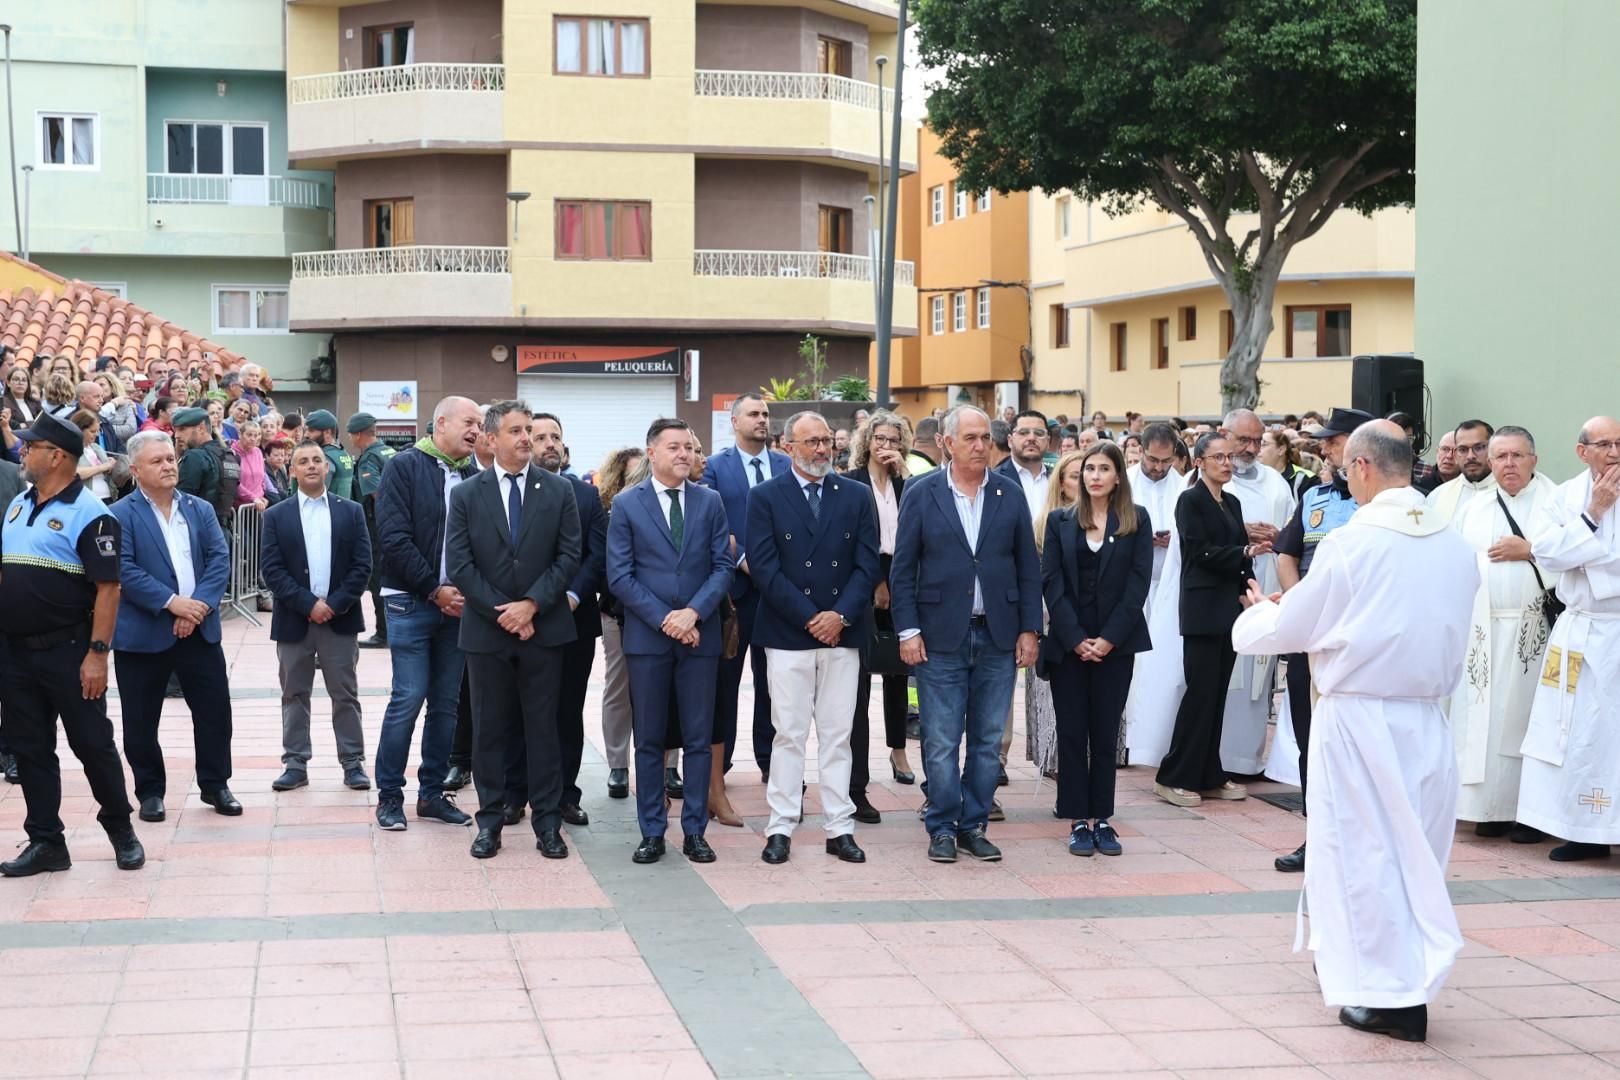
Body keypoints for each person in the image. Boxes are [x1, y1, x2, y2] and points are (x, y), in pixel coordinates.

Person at [1232, 420, 1479, 1044]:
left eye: (1346, 469)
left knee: (1362, 852)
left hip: (1363, 716)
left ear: (1363, 466)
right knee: (1414, 853)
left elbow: (1297, 626)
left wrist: (1258, 615)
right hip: (1426, 719)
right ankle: (1407, 980)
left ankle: (1388, 996)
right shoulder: (1452, 539)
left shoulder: (1354, 543)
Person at [892, 405, 1041, 864]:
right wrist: (908, 630)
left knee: (987, 738)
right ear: (946, 443)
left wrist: (1030, 628)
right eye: (971, 438)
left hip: (997, 635)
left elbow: (1027, 566)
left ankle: (974, 825)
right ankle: (941, 825)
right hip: (939, 636)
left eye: (985, 438)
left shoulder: (1008, 493)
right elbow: (903, 569)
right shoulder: (921, 492)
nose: (981, 446)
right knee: (940, 739)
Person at [0, 411, 145, 876]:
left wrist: (97, 656)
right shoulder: (19, 503)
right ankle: (46, 842)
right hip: (16, 652)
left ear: (56, 455)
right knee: (30, 748)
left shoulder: (92, 515)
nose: (22, 451)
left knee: (92, 745)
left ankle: (121, 831)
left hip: (70, 652)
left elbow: (109, 589)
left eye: (30, 446)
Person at [444, 402, 581, 861]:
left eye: (529, 430)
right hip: (487, 632)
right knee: (489, 731)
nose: (526, 438)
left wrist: (531, 606)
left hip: (544, 629)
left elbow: (568, 557)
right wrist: (503, 611)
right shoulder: (466, 495)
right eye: (516, 431)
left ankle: (547, 824)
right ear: (490, 438)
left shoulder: (559, 490)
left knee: (543, 729)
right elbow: (460, 563)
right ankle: (489, 822)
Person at [748, 411, 880, 864]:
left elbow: (868, 565)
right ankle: (780, 826)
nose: (822, 450)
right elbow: (763, 567)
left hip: (843, 634)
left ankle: (839, 826)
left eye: (827, 441)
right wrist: (811, 617)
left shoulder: (857, 496)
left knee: (838, 733)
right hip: (788, 633)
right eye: (811, 442)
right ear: (788, 446)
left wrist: (840, 615)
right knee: (787, 733)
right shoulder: (764, 496)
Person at [607, 418, 733, 866]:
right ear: (652, 454)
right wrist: (667, 620)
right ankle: (652, 832)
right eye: (675, 447)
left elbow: (723, 566)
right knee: (650, 738)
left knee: (699, 737)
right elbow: (620, 575)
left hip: (701, 635)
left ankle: (695, 830)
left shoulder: (710, 501)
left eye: (690, 447)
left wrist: (693, 613)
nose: (685, 454)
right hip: (648, 638)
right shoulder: (626, 504)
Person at [109, 430, 239, 821]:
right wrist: (172, 604)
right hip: (143, 634)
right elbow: (124, 569)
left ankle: (215, 784)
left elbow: (219, 558)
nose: (168, 466)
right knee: (140, 718)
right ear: (135, 470)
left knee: (215, 711)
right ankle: (150, 791)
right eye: (157, 461)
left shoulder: (198, 508)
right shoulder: (119, 515)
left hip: (199, 629)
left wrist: (195, 608)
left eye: (170, 458)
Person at [1264, 407, 1372, 871]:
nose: (1325, 449)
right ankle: (1318, 836)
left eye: (1333, 441)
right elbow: (1286, 553)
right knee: (1314, 740)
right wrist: (1301, 605)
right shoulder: (1314, 496)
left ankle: (1363, 840)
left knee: (1362, 745)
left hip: (1362, 645)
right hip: (1313, 643)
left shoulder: (1386, 505)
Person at [372, 396, 481, 832]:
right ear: (441, 422)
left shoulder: (473, 476)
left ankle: (432, 794)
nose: (476, 429)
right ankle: (389, 796)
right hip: (410, 601)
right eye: (469, 421)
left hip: (458, 608)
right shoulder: (404, 466)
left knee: (447, 705)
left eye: (479, 423)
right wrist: (435, 590)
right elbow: (393, 538)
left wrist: (467, 593)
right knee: (408, 698)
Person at [1515, 416, 1620, 862]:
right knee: (1573, 730)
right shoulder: (1565, 497)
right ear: (1582, 451)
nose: (1615, 453)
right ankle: (1581, 830)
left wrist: (1587, 556)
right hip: (1578, 629)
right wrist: (1593, 513)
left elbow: (1584, 557)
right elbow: (1549, 552)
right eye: (1605, 444)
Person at [1041, 441, 1152, 857]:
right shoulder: (1059, 521)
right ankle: (1075, 819)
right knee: (1072, 733)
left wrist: (1108, 639)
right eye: (1089, 469)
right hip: (1069, 646)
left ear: (1118, 476)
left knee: (1105, 734)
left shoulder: (1135, 520)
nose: (1095, 476)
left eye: (1104, 468)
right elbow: (1051, 581)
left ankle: (1102, 818)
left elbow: (1137, 584)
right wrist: (1074, 638)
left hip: (1115, 645)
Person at [1448, 425, 1557, 842]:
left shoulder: (1555, 502)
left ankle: (1531, 814)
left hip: (1537, 631)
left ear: (1534, 459)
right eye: (1501, 457)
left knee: (1531, 720)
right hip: (1483, 632)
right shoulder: (1472, 508)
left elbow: (1575, 555)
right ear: (1490, 464)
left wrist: (1529, 550)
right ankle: (1489, 809)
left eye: (1517, 455)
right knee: (1485, 722)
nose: (1509, 464)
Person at [1154, 433, 1262, 807]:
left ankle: (1209, 773)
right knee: (1200, 693)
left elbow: (1238, 555)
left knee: (1217, 695)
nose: (1227, 463)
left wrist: (1251, 589)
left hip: (1228, 608)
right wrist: (1244, 550)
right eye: (1218, 457)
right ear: (1199, 462)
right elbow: (1200, 551)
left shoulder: (1231, 502)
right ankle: (1174, 775)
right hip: (1201, 609)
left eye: (1230, 457)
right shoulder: (1191, 500)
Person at [259, 440, 372, 793]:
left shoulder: (350, 511)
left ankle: (352, 763)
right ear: (291, 471)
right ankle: (295, 763)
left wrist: (333, 604)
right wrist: (308, 604)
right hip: (295, 621)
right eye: (303, 461)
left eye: (317, 460)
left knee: (345, 693)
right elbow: (272, 570)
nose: (311, 466)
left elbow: (363, 565)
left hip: (339, 619)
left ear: (328, 468)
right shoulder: (276, 515)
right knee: (294, 692)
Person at [702, 393, 790, 818]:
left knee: (775, 682)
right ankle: (723, 763)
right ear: (734, 421)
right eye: (754, 414)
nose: (762, 420)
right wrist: (743, 561)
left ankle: (771, 760)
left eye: (766, 414)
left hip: (779, 596)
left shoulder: (786, 466)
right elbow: (715, 526)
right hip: (734, 594)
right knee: (727, 681)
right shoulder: (715, 468)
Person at [529, 411, 606, 830]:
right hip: (524, 620)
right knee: (520, 710)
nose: (549, 444)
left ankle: (565, 795)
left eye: (555, 436)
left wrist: (574, 596)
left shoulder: (585, 495)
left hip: (575, 621)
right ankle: (514, 793)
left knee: (567, 710)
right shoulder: (514, 494)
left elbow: (596, 554)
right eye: (540, 437)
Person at [1212, 408, 1295, 776]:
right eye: (1241, 439)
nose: (1248, 448)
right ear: (1223, 434)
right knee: (1224, 680)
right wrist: (1239, 533)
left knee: (1258, 685)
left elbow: (1293, 534)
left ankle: (1247, 760)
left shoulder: (1277, 482)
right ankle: (1214, 758)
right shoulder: (1213, 479)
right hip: (1225, 593)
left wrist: (1279, 538)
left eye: (1255, 441)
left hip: (1267, 592)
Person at [842, 413, 915, 814]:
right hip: (867, 577)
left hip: (904, 576)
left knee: (899, 672)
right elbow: (854, 540)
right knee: (860, 679)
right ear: (866, 442)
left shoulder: (909, 485)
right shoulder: (852, 482)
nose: (885, 445)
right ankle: (857, 783)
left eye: (893, 439)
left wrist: (904, 475)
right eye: (879, 438)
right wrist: (875, 584)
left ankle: (899, 751)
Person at [1121, 424, 1185, 767]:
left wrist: (1175, 538)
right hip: (1132, 584)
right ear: (1139, 450)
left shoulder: (1185, 485)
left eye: (1166, 461)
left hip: (1170, 586)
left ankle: (1160, 738)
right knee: (1133, 666)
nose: (1158, 467)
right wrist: (1143, 538)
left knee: (1165, 665)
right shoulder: (1124, 483)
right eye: (1152, 459)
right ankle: (1129, 740)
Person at [1025, 450, 1083, 780]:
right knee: (1054, 704)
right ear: (1061, 483)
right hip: (1053, 625)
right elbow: (1038, 580)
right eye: (1076, 475)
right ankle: (1058, 763)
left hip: (1094, 628)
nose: (1085, 481)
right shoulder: (1045, 523)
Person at [594, 446, 644, 799]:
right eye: (631, 476)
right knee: (619, 686)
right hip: (616, 612)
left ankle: (669, 766)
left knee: (665, 689)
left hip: (661, 613)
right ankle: (618, 766)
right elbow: (605, 569)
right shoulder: (607, 513)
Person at [349, 412, 395, 648]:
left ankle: (383, 633)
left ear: (358, 434)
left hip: (378, 527)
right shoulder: (388, 451)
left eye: (351, 434)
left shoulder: (368, 459)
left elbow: (378, 495)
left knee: (378, 580)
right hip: (396, 525)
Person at [1426, 420, 1497, 526]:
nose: (1470, 456)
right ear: (1455, 455)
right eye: (1463, 449)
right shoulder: (1438, 496)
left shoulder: (1510, 493)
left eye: (1478, 448)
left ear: (1493, 449)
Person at [306, 410, 355, 502]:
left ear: (327, 432)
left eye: (311, 431)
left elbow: (316, 496)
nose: (306, 435)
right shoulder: (343, 453)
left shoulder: (324, 457)